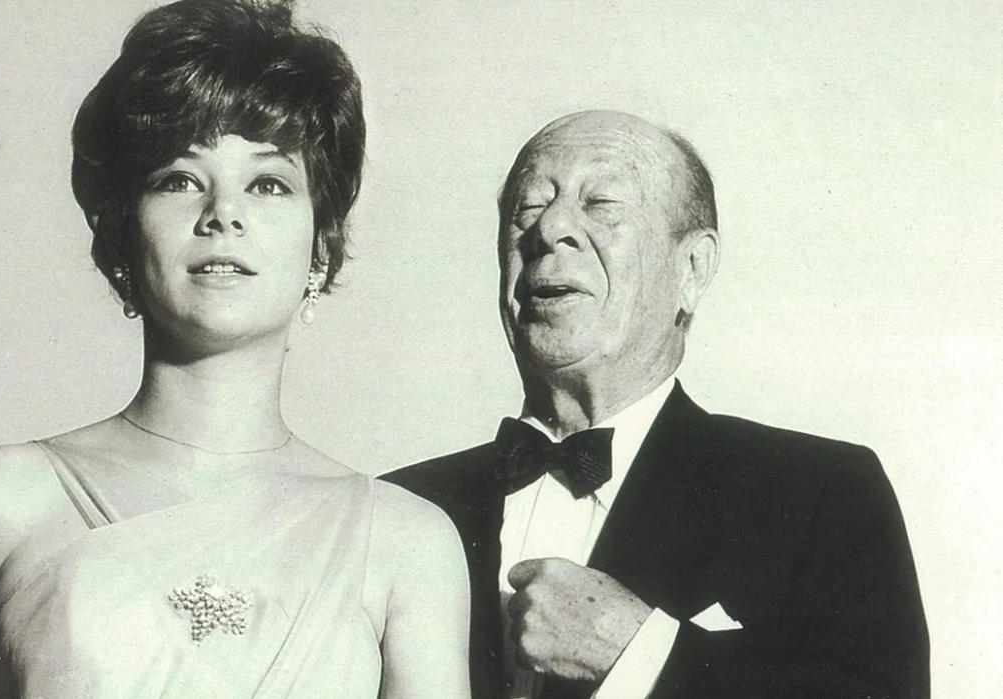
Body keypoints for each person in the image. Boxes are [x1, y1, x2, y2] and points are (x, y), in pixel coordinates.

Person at [0, 1, 470, 697]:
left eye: (268, 183)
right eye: (178, 179)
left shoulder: (406, 541)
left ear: (321, 249)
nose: (223, 214)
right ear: (121, 239)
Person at [383, 110, 928, 698]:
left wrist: (638, 653)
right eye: (529, 206)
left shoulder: (820, 493)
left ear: (691, 269)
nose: (550, 229)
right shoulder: (392, 509)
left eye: (601, 203)